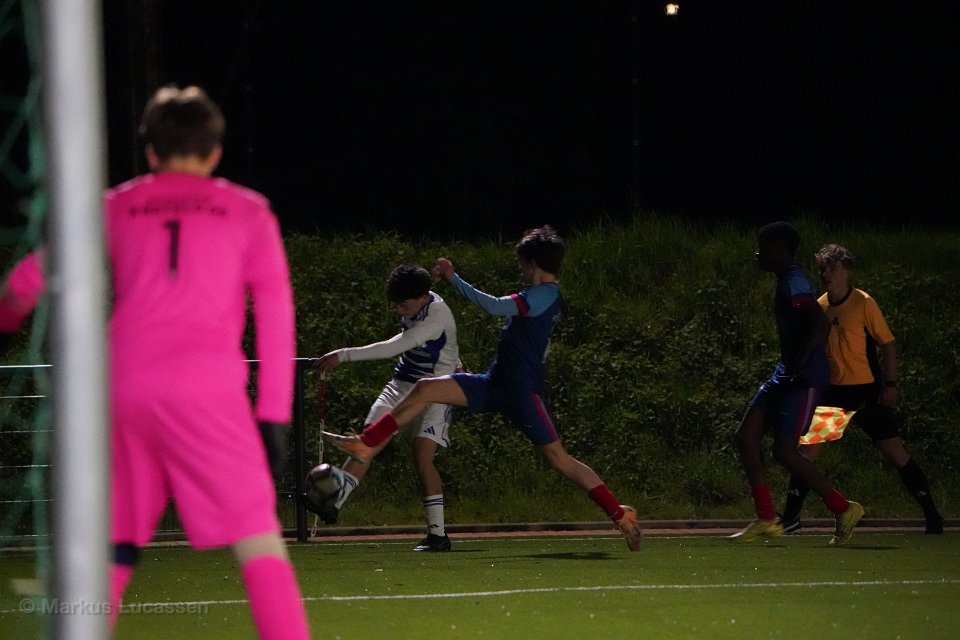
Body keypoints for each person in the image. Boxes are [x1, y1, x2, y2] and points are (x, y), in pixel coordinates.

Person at [105, 86, 309, 638]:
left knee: (114, 539)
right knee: (258, 536)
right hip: (207, 392)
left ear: (151, 151)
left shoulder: (115, 204)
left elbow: (37, 273)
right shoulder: (247, 210)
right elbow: (275, 313)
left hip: (124, 387)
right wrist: (272, 416)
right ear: (215, 151)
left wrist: (9, 314)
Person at [322, 225, 644, 551]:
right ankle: (368, 443)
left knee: (558, 459)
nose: (520, 268)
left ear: (532, 263)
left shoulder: (544, 295)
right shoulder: (535, 294)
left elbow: (492, 306)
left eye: (522, 263)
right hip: (493, 383)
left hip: (521, 393)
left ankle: (621, 515)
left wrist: (453, 278)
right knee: (425, 388)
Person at [780, 244, 944, 534]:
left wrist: (890, 384)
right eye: (823, 269)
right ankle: (790, 519)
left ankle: (932, 515)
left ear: (847, 271)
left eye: (832, 268)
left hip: (866, 393)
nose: (826, 274)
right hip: (834, 393)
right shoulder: (820, 306)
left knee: (895, 453)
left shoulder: (864, 303)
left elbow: (887, 344)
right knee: (806, 454)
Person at [310, 263, 462, 552]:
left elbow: (397, 346)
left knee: (422, 455)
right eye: (396, 305)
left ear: (423, 297)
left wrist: (344, 355)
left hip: (436, 388)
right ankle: (334, 502)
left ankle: (438, 535)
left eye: (403, 305)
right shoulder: (416, 304)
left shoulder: (436, 316)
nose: (398, 311)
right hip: (402, 383)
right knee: (368, 439)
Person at [731, 221, 863, 544]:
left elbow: (820, 323)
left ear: (779, 250)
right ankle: (767, 518)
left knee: (785, 451)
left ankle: (844, 508)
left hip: (803, 378)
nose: (758, 253)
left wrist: (802, 364)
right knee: (746, 437)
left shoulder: (795, 281)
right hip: (786, 373)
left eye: (763, 246)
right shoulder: (787, 280)